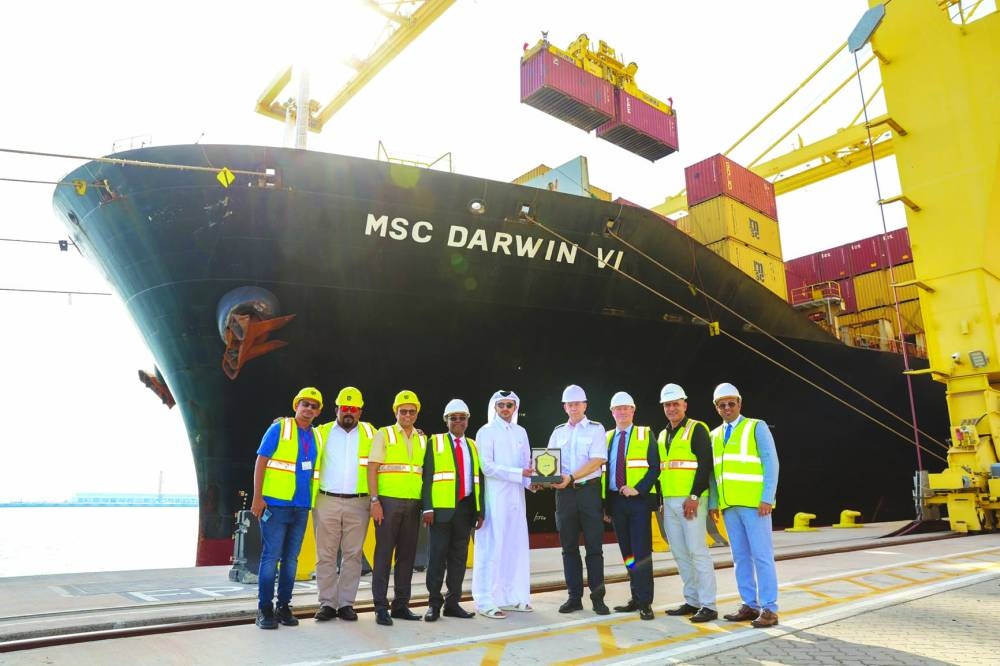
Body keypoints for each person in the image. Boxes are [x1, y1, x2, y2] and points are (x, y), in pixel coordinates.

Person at [250, 386, 325, 630]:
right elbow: (261, 461)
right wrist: (257, 497)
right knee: (271, 557)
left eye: (314, 406)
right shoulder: (279, 428)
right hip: (276, 505)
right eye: (305, 404)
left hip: (301, 506)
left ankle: (283, 606)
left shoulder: (318, 436)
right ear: (296, 406)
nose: (309, 409)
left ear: (318, 412)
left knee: (291, 560)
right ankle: (264, 609)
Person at [708, 382, 780, 628]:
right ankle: (749, 604)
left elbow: (771, 462)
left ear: (739, 403)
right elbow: (714, 473)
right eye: (722, 405)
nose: (727, 408)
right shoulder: (714, 435)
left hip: (754, 505)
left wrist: (767, 497)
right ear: (716, 408)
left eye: (731, 403)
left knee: (762, 556)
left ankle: (769, 608)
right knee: (740, 557)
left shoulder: (756, 427)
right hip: (729, 506)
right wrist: (715, 502)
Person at [312, 386, 377, 623]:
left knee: (353, 555)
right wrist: (282, 422)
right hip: (326, 499)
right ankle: (327, 603)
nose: (348, 412)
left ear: (360, 411)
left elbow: (393, 443)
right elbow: (299, 433)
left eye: (353, 408)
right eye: (344, 407)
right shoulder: (321, 432)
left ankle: (346, 603)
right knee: (325, 554)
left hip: (358, 502)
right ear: (337, 409)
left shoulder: (372, 432)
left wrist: (417, 433)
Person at [657, 383, 718, 623]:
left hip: (691, 500)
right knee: (680, 553)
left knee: (697, 551)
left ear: (685, 405)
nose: (671, 408)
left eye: (675, 404)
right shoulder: (663, 435)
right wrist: (662, 500)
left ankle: (708, 605)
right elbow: (664, 470)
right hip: (670, 501)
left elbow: (705, 464)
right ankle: (692, 600)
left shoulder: (697, 429)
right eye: (667, 405)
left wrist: (694, 496)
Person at [368, 389, 428, 626]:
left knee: (407, 556)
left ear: (417, 413)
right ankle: (380, 607)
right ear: (396, 412)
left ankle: (401, 605)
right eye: (403, 411)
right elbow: (372, 468)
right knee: (383, 555)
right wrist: (375, 501)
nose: (408, 415)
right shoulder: (384, 434)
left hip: (413, 504)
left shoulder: (422, 438)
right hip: (388, 503)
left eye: (412, 411)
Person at [548, 384, 610, 615]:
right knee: (569, 548)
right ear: (565, 407)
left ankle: (598, 598)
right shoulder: (558, 432)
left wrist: (572, 477)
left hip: (588, 492)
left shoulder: (596, 429)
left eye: (577, 404)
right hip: (564, 495)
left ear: (585, 405)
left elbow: (597, 460)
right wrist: (544, 479)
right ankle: (574, 598)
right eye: (569, 404)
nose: (573, 408)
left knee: (594, 548)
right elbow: (548, 462)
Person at [472, 390, 534, 619]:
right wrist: (520, 474)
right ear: (495, 408)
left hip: (517, 498)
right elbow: (487, 466)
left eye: (509, 405)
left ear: (515, 407)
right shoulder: (485, 431)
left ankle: (512, 597)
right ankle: (485, 600)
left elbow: (527, 463)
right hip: (495, 498)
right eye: (501, 405)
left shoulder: (521, 432)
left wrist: (532, 483)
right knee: (492, 547)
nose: (506, 409)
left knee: (515, 546)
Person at [421, 399, 484, 621]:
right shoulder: (435, 442)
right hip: (440, 510)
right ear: (446, 421)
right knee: (437, 558)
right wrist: (427, 508)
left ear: (467, 420)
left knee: (459, 559)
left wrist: (480, 510)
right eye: (453, 418)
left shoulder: (473, 445)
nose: (458, 421)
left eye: (462, 418)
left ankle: (453, 603)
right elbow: (427, 477)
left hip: (465, 509)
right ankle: (433, 604)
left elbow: (479, 480)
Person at [604, 391, 660, 621]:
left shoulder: (646, 434)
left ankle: (645, 602)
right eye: (618, 409)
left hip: (638, 502)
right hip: (616, 502)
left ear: (633, 410)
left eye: (626, 408)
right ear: (612, 412)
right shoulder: (607, 437)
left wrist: (638, 488)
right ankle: (635, 597)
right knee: (627, 553)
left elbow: (655, 467)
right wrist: (605, 505)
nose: (622, 412)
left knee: (641, 552)